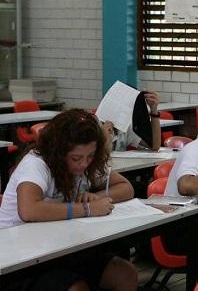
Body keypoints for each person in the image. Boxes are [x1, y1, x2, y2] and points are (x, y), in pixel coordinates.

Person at [0, 109, 137, 291]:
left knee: (124, 274)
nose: (83, 164)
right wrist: (87, 209)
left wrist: (97, 197)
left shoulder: (88, 164)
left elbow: (126, 187)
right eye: (76, 158)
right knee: (75, 288)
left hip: (62, 247)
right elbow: (28, 210)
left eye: (90, 156)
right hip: (21, 258)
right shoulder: (36, 164)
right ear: (58, 151)